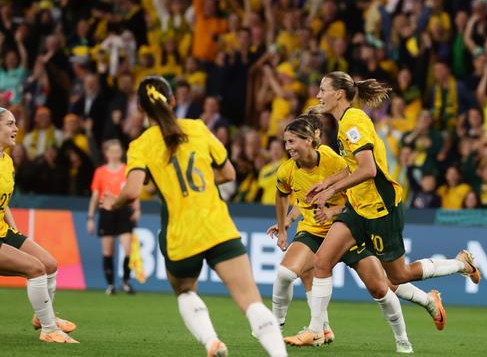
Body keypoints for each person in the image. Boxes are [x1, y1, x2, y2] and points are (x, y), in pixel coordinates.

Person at [99, 76, 286, 357]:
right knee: (251, 300)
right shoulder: (198, 128)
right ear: (173, 101)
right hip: (217, 226)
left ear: (140, 108)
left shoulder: (141, 145)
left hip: (180, 235)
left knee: (186, 291)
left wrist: (116, 202)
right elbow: (228, 174)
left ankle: (212, 342)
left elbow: (134, 190)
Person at [303, 71, 481, 342]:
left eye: (322, 89)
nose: (318, 95)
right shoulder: (345, 122)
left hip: (380, 208)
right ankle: (316, 331)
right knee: (322, 261)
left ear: (339, 93)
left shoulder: (354, 121)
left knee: (399, 275)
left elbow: (368, 169)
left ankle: (460, 264)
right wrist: (327, 183)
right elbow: (352, 166)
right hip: (358, 207)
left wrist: (332, 189)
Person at [270, 115, 445, 353]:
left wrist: (333, 211)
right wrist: (286, 223)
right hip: (314, 232)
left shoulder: (333, 161)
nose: (288, 147)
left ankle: (406, 336)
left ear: (310, 140)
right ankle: (299, 329)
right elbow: (300, 198)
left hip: (348, 228)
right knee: (291, 272)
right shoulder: (288, 170)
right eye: (286, 142)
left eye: (292, 141)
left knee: (383, 287)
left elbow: (356, 198)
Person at [0, 106, 78, 343]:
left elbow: (4, 204)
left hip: (3, 231)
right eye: (10, 123)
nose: (16, 128)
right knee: (35, 269)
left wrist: (14, 230)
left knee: (50, 264)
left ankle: (43, 316)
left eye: (15, 123)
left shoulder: (7, 161)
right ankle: (49, 329)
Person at [87, 139, 139, 295]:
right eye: (113, 151)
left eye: (118, 151)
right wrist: (90, 217)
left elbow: (133, 190)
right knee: (108, 251)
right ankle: (110, 284)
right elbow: (96, 196)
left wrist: (137, 209)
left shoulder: (126, 169)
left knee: (127, 248)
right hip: (106, 212)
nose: (116, 154)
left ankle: (126, 281)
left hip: (123, 210)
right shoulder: (100, 172)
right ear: (107, 153)